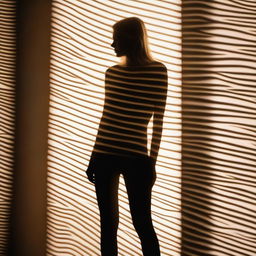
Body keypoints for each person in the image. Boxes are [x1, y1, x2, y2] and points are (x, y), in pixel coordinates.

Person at [86, 17, 168, 256]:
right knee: (108, 225)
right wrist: (93, 156)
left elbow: (159, 121)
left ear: (130, 39)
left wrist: (151, 163)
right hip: (105, 156)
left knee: (142, 222)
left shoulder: (157, 70)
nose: (112, 44)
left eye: (116, 38)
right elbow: (107, 117)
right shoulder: (111, 73)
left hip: (136, 158)